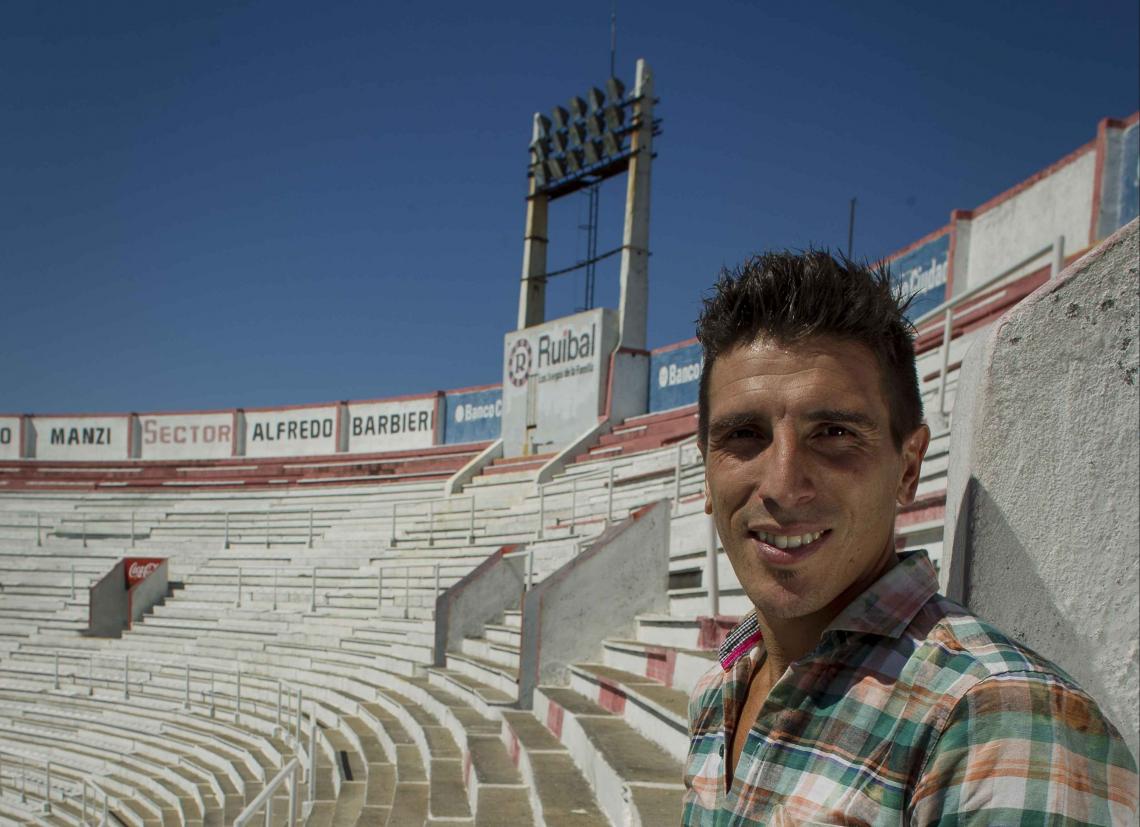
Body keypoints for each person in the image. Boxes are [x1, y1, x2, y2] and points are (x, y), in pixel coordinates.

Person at [682, 250, 1138, 825]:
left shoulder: (1000, 725)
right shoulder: (717, 691)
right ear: (706, 474)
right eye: (744, 434)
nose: (782, 485)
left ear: (908, 468)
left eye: (834, 433)